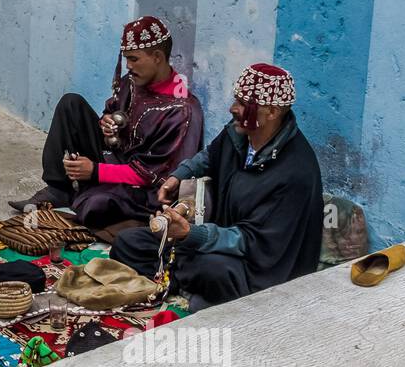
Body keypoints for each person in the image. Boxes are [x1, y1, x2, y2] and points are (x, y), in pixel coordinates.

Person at [110, 62, 324, 310]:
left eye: (244, 104)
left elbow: (252, 242)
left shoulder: (295, 172)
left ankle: (185, 282)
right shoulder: (239, 133)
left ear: (273, 112)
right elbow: (211, 155)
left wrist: (191, 235)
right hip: (217, 241)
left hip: (259, 266)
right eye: (237, 100)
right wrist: (178, 176)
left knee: (212, 268)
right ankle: (187, 283)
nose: (233, 109)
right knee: (128, 242)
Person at [11, 16, 203, 232]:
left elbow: (150, 176)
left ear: (157, 57)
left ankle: (85, 192)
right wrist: (106, 123)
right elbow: (112, 111)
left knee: (94, 206)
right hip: (114, 159)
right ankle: (59, 189)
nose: (128, 66)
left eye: (134, 59)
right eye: (126, 59)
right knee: (70, 104)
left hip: (142, 189)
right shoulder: (134, 81)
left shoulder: (182, 110)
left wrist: (94, 171)